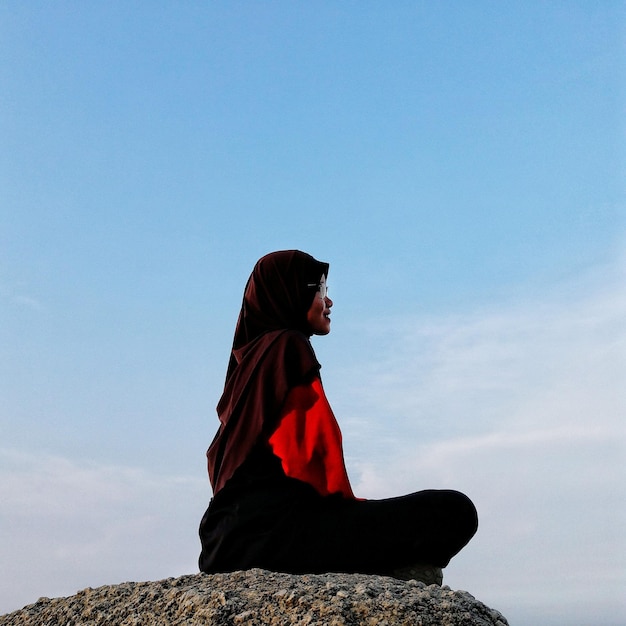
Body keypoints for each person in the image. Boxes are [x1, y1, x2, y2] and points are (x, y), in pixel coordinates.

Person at [198, 250, 477, 585]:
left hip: (224, 541)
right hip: (275, 538)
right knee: (456, 511)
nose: (327, 302)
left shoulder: (249, 367)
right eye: (319, 291)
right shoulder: (289, 347)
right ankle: (387, 568)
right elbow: (308, 466)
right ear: (290, 293)